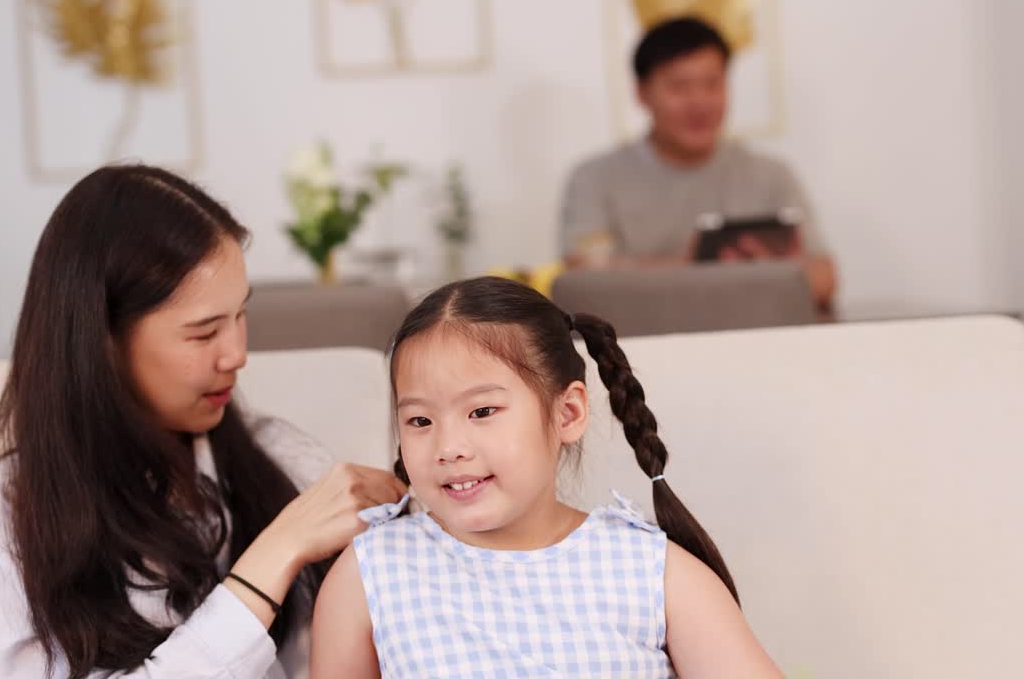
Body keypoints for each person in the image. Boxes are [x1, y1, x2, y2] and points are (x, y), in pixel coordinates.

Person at [0, 165, 406, 678]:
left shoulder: (280, 456)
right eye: (203, 332)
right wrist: (274, 555)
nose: (237, 353)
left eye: (240, 315)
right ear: (102, 344)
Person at [310, 276, 782, 678]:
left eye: (482, 411)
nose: (449, 447)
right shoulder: (371, 573)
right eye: (419, 421)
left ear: (568, 413)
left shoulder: (651, 571)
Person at [560, 16, 837, 310]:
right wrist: (697, 265)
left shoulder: (771, 175)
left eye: (712, 83)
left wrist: (777, 272)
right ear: (641, 93)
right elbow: (582, 280)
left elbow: (825, 278)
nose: (699, 102)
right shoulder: (594, 178)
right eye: (679, 87)